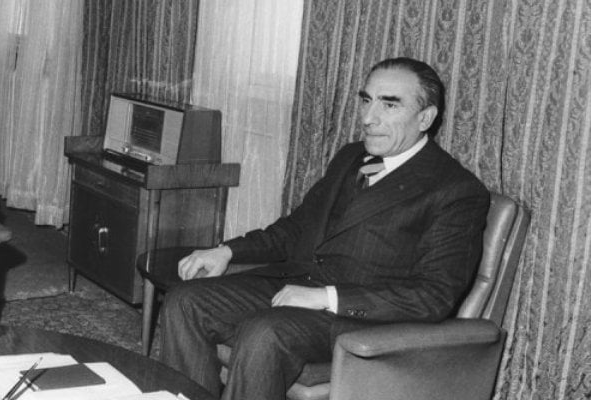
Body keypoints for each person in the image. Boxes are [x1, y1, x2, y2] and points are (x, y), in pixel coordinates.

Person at [159, 57, 490, 400]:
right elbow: (298, 227)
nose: (368, 118)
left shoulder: (454, 190)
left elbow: (433, 297)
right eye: (366, 100)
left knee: (264, 332)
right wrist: (227, 250)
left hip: (360, 318)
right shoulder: (352, 157)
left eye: (389, 105)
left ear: (425, 118)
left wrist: (325, 298)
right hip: (299, 283)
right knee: (184, 300)